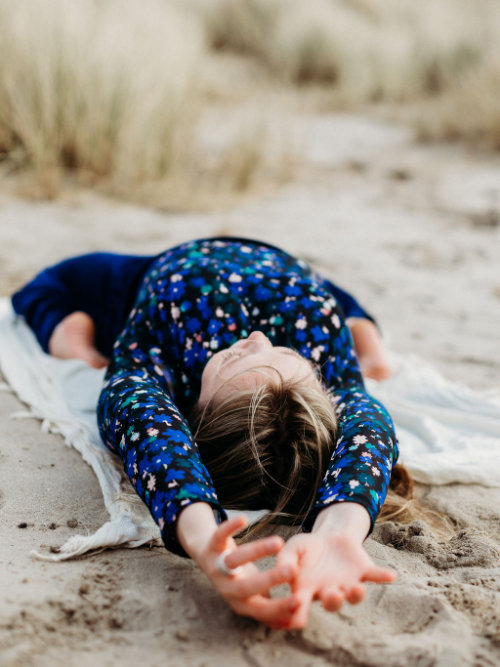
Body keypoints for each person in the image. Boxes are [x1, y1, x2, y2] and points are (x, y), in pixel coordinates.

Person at [12, 237, 401, 629]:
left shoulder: (165, 345)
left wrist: (203, 536)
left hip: (176, 269)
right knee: (343, 310)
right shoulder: (330, 365)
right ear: (317, 386)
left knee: (46, 288)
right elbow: (367, 430)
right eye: (285, 354)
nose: (258, 339)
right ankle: (362, 330)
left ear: (192, 412)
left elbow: (148, 427)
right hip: (299, 280)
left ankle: (68, 334)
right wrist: (342, 530)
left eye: (234, 358)